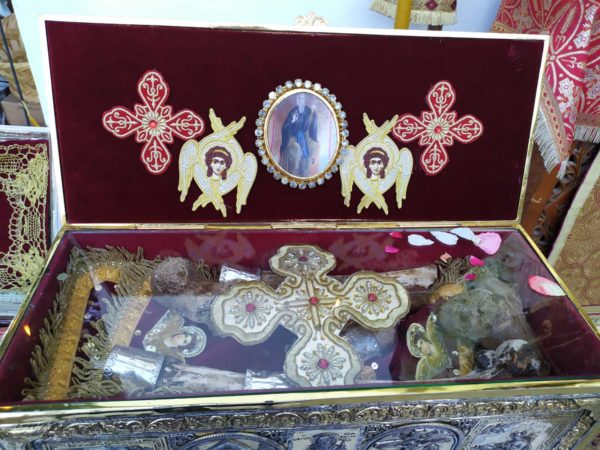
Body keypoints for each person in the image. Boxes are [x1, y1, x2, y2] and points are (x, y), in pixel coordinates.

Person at [279, 93, 319, 177]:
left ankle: (304, 172)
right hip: (292, 137)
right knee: (297, 148)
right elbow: (285, 127)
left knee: (311, 147)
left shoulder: (308, 111)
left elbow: (312, 124)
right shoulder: (293, 112)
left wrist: (313, 114)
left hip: (304, 137)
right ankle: (294, 172)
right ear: (297, 100)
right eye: (300, 99)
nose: (302, 101)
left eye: (303, 99)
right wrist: (292, 121)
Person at [357, 147, 390, 213]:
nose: (376, 166)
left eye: (379, 163)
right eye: (373, 162)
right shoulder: (363, 180)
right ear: (368, 164)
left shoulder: (385, 181)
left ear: (384, 165)